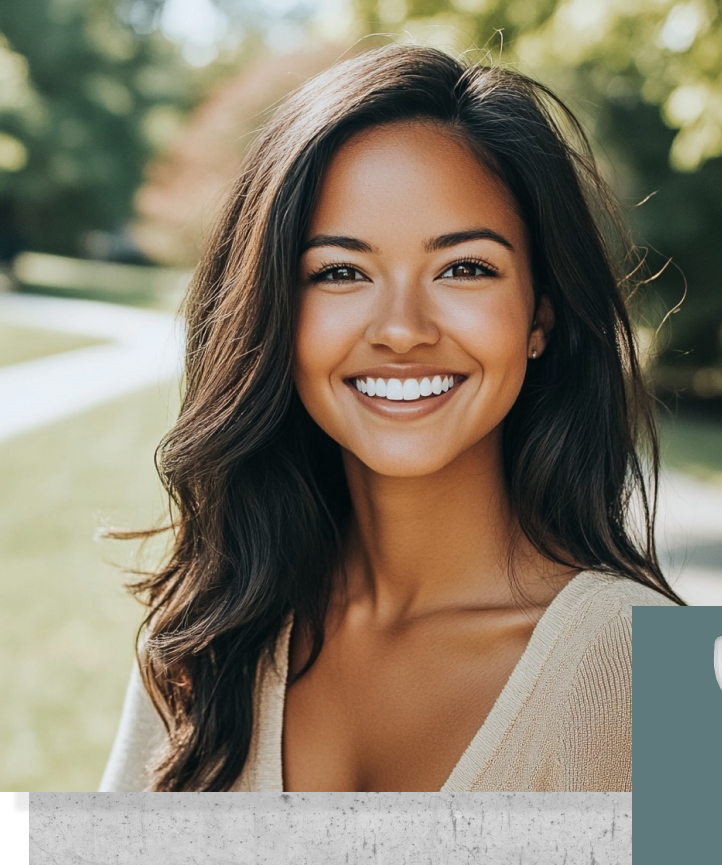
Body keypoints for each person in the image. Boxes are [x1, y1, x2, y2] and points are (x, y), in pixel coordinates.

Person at [99, 41, 683, 795]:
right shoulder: (204, 633)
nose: (402, 329)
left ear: (539, 315)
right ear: (275, 312)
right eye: (341, 272)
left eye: (464, 268)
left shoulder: (660, 667)